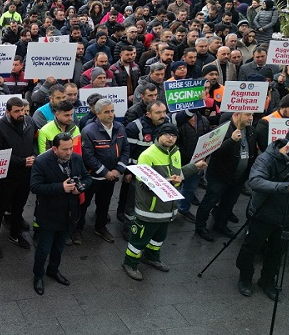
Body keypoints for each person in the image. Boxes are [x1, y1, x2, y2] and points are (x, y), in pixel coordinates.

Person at [122, 124, 207, 281]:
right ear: (159, 135)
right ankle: (130, 263)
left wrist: (194, 167)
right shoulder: (147, 155)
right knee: (138, 240)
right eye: (167, 134)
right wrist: (167, 181)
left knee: (159, 238)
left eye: (174, 136)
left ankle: (152, 257)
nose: (171, 138)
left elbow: (178, 173)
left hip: (168, 209)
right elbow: (142, 183)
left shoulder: (175, 152)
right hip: (150, 210)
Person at [235, 131, 289, 299]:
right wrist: (287, 187)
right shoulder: (266, 158)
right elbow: (255, 181)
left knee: (278, 253)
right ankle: (245, 277)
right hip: (263, 213)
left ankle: (268, 280)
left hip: (288, 217)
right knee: (251, 248)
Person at [31, 132, 91, 295]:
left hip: (69, 213)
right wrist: (60, 187)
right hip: (49, 213)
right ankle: (38, 276)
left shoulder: (77, 158)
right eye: (65, 149)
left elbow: (86, 177)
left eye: (71, 148)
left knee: (59, 246)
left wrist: (81, 187)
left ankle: (53, 270)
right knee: (44, 248)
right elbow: (35, 187)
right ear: (54, 149)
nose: (69, 152)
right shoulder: (42, 162)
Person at [195, 112, 256, 241]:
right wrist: (232, 141)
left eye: (252, 115)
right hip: (219, 176)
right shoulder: (222, 130)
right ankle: (200, 227)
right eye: (248, 115)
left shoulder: (250, 130)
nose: (251, 118)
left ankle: (221, 225)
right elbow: (214, 152)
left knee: (229, 203)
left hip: (238, 177)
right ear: (236, 115)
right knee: (210, 201)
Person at [0, 98, 37, 257]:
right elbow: (0, 153)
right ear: (7, 112)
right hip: (7, 176)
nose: (21, 114)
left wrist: (34, 156)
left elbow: (34, 143)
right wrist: (22, 161)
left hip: (25, 175)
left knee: (19, 206)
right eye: (16, 111)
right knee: (0, 207)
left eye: (22, 110)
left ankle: (15, 234)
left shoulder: (29, 122)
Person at [79, 98, 129, 243]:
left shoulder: (120, 128)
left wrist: (118, 170)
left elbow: (125, 149)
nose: (111, 114)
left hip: (111, 177)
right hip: (92, 177)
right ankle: (77, 229)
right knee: (83, 204)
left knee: (104, 204)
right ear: (98, 114)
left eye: (112, 111)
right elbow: (88, 157)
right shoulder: (88, 131)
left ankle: (100, 227)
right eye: (107, 112)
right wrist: (105, 172)